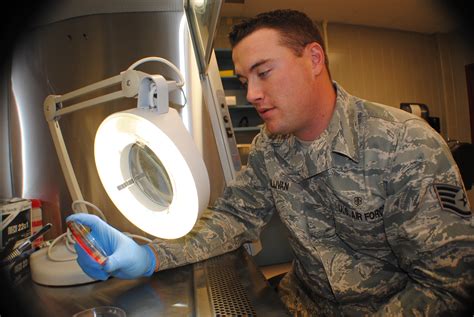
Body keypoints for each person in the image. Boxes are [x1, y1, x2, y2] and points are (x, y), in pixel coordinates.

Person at [67, 9, 474, 316]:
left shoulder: (406, 144)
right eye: (245, 81)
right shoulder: (271, 146)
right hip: (299, 304)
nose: (252, 94)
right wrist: (150, 255)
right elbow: (233, 218)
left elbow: (448, 286)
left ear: (314, 59)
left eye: (264, 73)